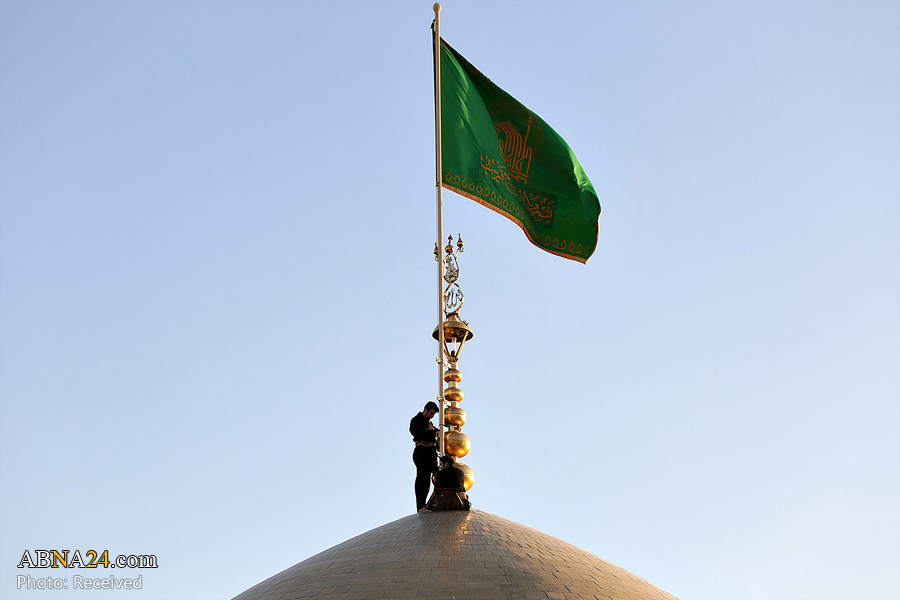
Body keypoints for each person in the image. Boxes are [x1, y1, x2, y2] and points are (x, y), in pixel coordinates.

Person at [410, 401, 439, 511]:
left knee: (429, 479)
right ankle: (421, 505)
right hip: (422, 452)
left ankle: (428, 503)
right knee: (422, 478)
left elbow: (437, 432)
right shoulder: (416, 421)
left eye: (433, 414)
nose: (432, 416)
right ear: (425, 410)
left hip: (430, 453)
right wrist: (429, 431)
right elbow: (417, 433)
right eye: (431, 413)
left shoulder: (429, 423)